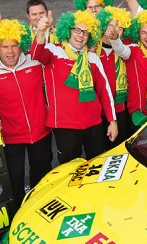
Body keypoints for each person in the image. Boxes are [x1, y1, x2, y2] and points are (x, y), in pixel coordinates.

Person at [0, 19, 52, 207]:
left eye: (14, 46)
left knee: (42, 177)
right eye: (4, 47)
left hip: (40, 131)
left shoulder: (35, 61)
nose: (10, 51)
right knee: (14, 180)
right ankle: (16, 214)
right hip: (10, 136)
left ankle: (39, 211)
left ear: (21, 46)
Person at [29, 10, 118, 164]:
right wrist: (41, 32)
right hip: (65, 125)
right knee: (69, 167)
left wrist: (112, 121)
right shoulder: (54, 51)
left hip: (93, 123)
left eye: (85, 32)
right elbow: (36, 54)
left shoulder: (93, 58)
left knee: (97, 165)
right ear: (68, 30)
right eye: (77, 30)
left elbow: (105, 91)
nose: (81, 35)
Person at [96, 6, 134, 145]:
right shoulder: (92, 47)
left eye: (119, 28)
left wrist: (116, 39)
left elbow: (124, 52)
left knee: (118, 144)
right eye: (111, 25)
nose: (114, 30)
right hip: (97, 108)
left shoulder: (126, 48)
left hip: (119, 107)